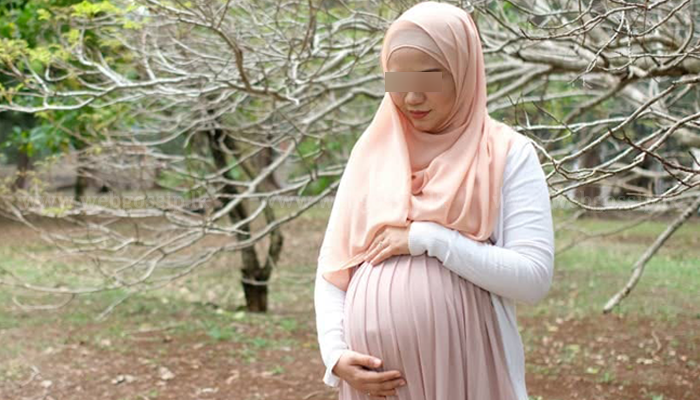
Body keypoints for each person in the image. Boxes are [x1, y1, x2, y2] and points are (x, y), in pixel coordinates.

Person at [314, 2, 555, 399]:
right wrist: (334, 352)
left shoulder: (508, 153)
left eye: (429, 78)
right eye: (398, 80)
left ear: (463, 71)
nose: (412, 97)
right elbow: (333, 268)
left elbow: (532, 278)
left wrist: (430, 238)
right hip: (377, 387)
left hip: (469, 373)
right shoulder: (372, 152)